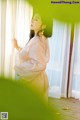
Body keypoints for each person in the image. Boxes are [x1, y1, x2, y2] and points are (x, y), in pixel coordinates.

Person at [13, 14, 50, 103]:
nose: (32, 21)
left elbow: (41, 64)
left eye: (36, 19)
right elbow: (30, 54)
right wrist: (17, 47)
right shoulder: (42, 38)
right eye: (32, 18)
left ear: (44, 25)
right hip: (38, 78)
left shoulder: (36, 41)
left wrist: (23, 69)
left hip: (33, 80)